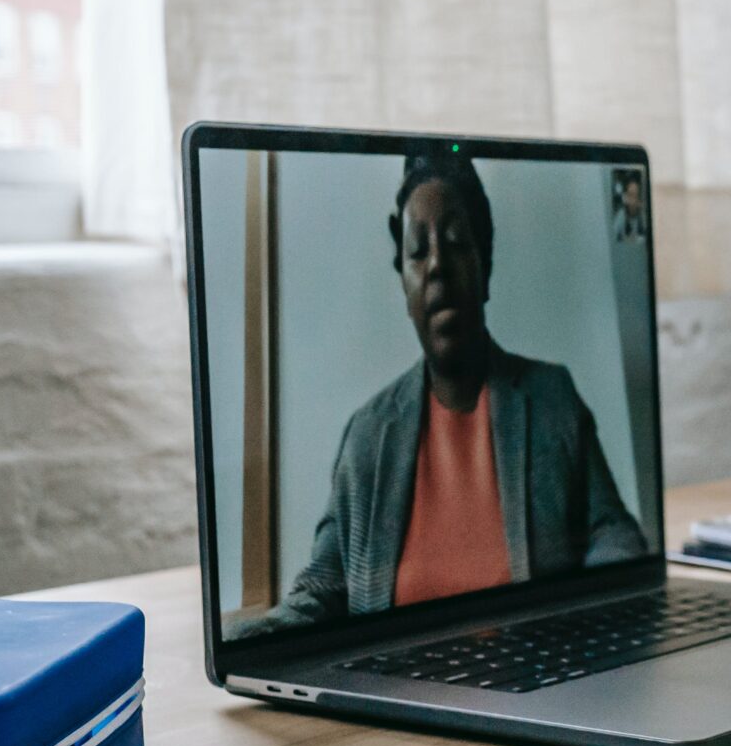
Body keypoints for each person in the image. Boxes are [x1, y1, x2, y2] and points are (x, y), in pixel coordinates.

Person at [244, 153, 648, 635]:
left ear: (486, 264)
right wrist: (248, 643)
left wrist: (585, 624)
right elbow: (323, 588)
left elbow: (615, 534)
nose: (437, 265)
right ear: (405, 286)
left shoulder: (551, 399)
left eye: (456, 242)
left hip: (537, 683)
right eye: (418, 250)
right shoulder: (369, 435)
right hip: (397, 698)